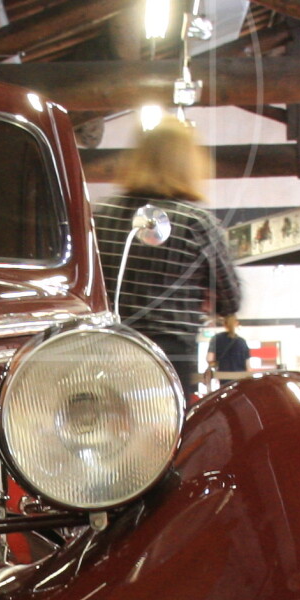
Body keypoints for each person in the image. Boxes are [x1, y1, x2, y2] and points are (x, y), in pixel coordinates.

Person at [89, 118, 243, 396]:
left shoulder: (101, 217)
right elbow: (231, 298)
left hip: (106, 347)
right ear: (187, 164)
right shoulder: (196, 223)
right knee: (167, 423)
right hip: (170, 354)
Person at [209, 313, 251, 382]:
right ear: (237, 323)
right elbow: (248, 367)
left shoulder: (216, 338)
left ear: (224, 324)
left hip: (223, 377)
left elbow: (210, 358)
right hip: (240, 379)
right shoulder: (242, 342)